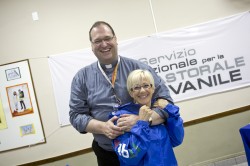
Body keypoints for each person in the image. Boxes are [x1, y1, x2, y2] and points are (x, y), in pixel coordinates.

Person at [69, 21, 173, 166]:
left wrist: (141, 121)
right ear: (92, 46)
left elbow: (166, 103)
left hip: (145, 150)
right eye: (97, 41)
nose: (104, 44)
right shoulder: (81, 78)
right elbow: (76, 116)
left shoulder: (140, 68)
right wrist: (102, 127)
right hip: (108, 154)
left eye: (107, 38)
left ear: (115, 39)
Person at [110, 69, 184, 166]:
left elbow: (176, 140)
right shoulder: (122, 118)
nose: (142, 90)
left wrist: (170, 111)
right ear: (131, 92)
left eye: (146, 86)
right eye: (136, 87)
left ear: (153, 88)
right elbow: (129, 157)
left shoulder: (160, 111)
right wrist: (142, 124)